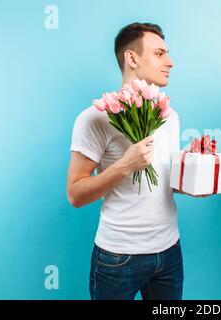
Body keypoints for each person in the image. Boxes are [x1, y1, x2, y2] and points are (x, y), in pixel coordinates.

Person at [66, 22, 183, 300]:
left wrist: (190, 182)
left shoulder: (169, 115)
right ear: (132, 58)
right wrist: (125, 165)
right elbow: (75, 194)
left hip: (169, 252)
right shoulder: (95, 118)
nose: (170, 62)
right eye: (159, 54)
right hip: (118, 259)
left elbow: (166, 182)